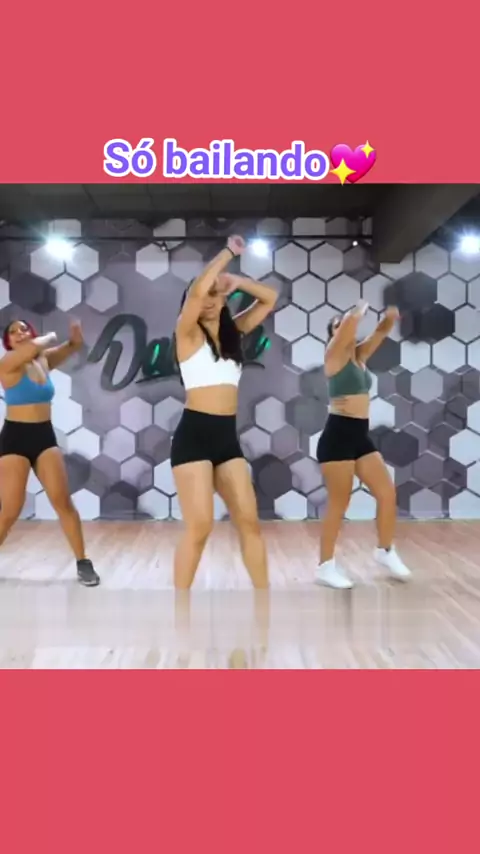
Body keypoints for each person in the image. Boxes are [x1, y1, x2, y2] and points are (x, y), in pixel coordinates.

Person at [171, 235, 278, 589]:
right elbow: (198, 293)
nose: (208, 301)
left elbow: (270, 298)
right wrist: (228, 255)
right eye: (204, 295)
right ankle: (180, 606)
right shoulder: (187, 334)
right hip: (193, 437)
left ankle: (263, 601)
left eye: (216, 295)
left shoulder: (235, 333)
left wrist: (237, 282)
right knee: (200, 526)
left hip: (226, 438)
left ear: (224, 300)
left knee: (249, 522)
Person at [315, 300, 412, 589]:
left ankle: (385, 550)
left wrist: (390, 316)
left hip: (359, 436)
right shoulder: (333, 356)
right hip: (337, 437)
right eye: (337, 327)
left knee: (386, 493)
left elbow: (380, 332)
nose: (344, 329)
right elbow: (348, 324)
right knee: (339, 504)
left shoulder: (358, 356)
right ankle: (325, 567)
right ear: (333, 334)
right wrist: (355, 312)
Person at [0, 319, 100, 586]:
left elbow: (73, 346)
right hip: (15, 439)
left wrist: (75, 336)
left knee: (63, 502)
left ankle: (83, 563)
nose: (19, 333)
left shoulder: (42, 360)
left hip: (44, 436)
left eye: (23, 328)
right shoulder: (8, 362)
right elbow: (36, 346)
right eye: (13, 332)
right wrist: (49, 336)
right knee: (10, 509)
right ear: (8, 342)